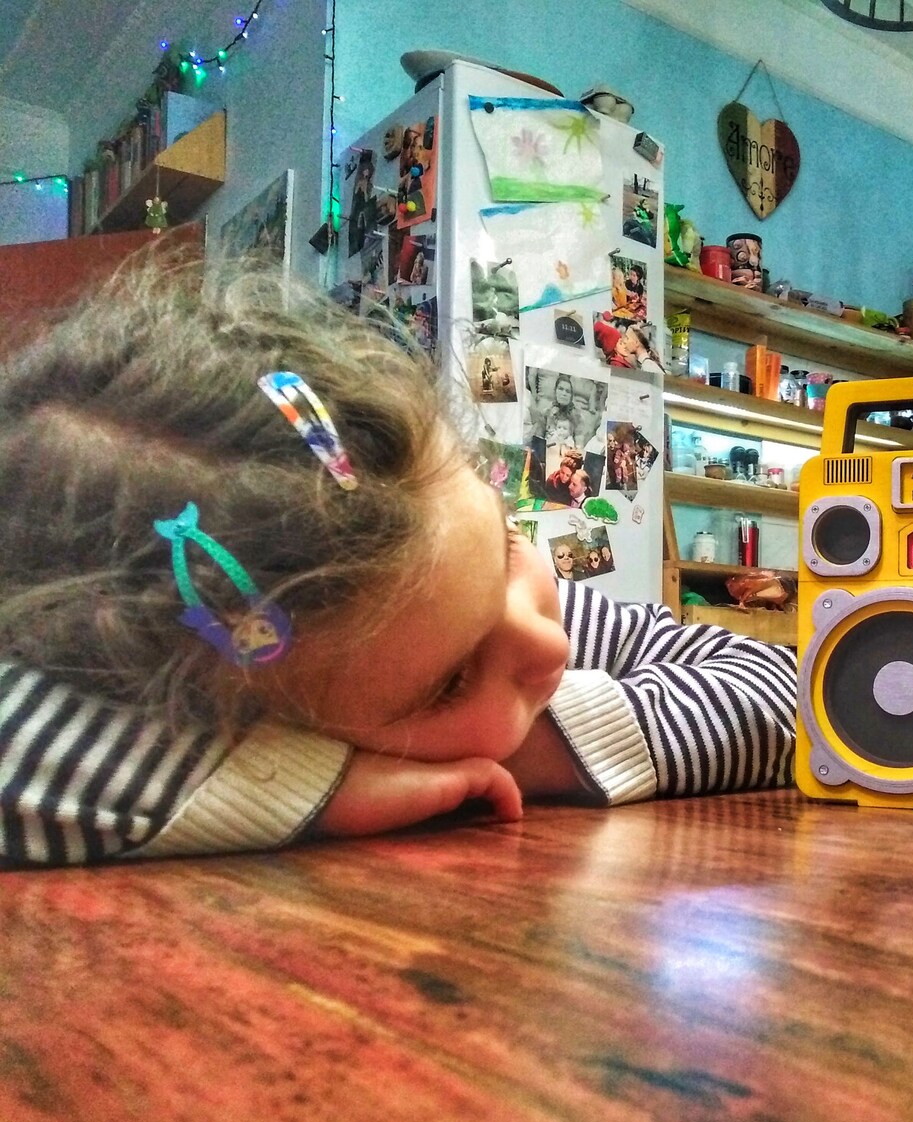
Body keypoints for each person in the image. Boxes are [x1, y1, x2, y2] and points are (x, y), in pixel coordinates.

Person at [0, 260, 796, 867]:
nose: (549, 647)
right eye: (449, 684)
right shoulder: (405, 622)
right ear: (238, 720)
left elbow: (786, 688)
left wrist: (515, 746)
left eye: (511, 541)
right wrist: (303, 782)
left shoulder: (475, 603)